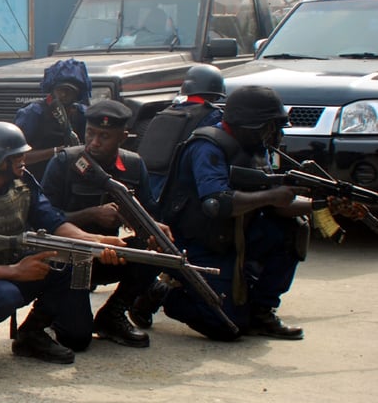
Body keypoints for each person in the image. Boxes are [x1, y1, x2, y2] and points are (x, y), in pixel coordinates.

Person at [0, 121, 126, 366]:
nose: (24, 160)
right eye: (16, 156)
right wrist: (15, 272)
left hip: (13, 267)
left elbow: (54, 222)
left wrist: (97, 241)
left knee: (71, 263)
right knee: (4, 295)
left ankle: (32, 334)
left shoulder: (22, 182)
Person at [139, 86, 313, 342]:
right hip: (197, 243)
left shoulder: (256, 148)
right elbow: (216, 203)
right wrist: (270, 196)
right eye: (269, 126)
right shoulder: (207, 145)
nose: (274, 134)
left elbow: (279, 205)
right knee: (228, 326)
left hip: (233, 235)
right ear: (248, 124)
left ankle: (261, 311)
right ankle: (163, 293)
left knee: (293, 228)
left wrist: (322, 203)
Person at [40, 100, 166, 349]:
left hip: (108, 256)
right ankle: (52, 311)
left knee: (157, 246)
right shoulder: (65, 163)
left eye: (104, 136)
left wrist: (153, 228)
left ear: (123, 137)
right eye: (90, 133)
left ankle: (113, 315)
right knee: (76, 339)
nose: (94, 142)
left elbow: (148, 212)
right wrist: (90, 215)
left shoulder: (133, 165)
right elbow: (42, 218)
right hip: (67, 262)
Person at [137, 64, 226, 198]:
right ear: (216, 92)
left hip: (147, 193)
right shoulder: (212, 116)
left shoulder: (165, 112)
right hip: (178, 197)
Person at [14, 58, 90, 179]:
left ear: (77, 95)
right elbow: (17, 157)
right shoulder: (33, 113)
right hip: (38, 179)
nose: (64, 95)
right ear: (52, 90)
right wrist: (56, 152)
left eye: (69, 92)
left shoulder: (82, 113)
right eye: (60, 90)